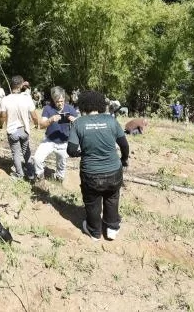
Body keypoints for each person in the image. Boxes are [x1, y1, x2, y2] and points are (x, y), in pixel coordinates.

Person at [67, 90, 129, 241]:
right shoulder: (111, 120)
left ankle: (94, 232)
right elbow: (124, 145)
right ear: (101, 104)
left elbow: (71, 150)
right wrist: (124, 159)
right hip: (114, 171)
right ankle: (112, 229)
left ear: (82, 105)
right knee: (112, 197)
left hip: (91, 174)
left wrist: (82, 153)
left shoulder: (78, 123)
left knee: (92, 201)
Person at [32, 86, 78, 182]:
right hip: (49, 140)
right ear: (53, 99)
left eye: (62, 101)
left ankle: (59, 178)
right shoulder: (47, 108)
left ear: (64, 98)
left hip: (64, 142)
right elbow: (41, 125)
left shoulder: (70, 109)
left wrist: (74, 121)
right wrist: (51, 120)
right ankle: (39, 177)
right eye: (57, 102)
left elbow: (79, 125)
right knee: (37, 158)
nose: (60, 103)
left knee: (61, 164)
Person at [0, 75, 38, 180]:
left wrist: (0, 126)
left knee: (15, 153)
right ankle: (31, 174)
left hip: (12, 131)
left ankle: (19, 174)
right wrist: (36, 124)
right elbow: (34, 115)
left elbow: (2, 116)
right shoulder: (26, 98)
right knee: (26, 152)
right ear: (21, 85)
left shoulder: (5, 99)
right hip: (24, 130)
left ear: (11, 85)